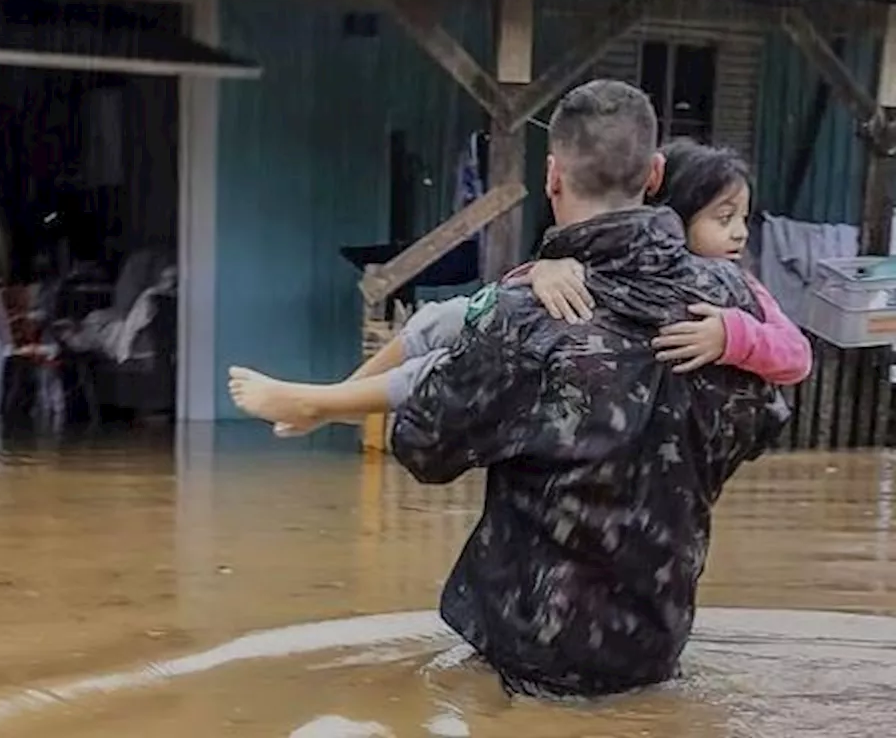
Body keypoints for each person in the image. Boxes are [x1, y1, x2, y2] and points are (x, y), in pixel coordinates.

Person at [249, 79, 790, 697]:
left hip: (535, 650)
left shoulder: (525, 314)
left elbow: (425, 447)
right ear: (656, 172)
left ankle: (318, 400)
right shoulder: (733, 301)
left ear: (552, 175)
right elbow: (766, 418)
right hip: (661, 640)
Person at [227, 140, 811, 432]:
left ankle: (322, 405)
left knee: (452, 368)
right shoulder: (604, 254)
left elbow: (797, 356)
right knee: (442, 320)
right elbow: (515, 299)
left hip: (616, 401)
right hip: (590, 380)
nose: (737, 233)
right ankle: (335, 402)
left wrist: (731, 336)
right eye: (722, 217)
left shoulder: (734, 291)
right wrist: (543, 269)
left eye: (741, 219)